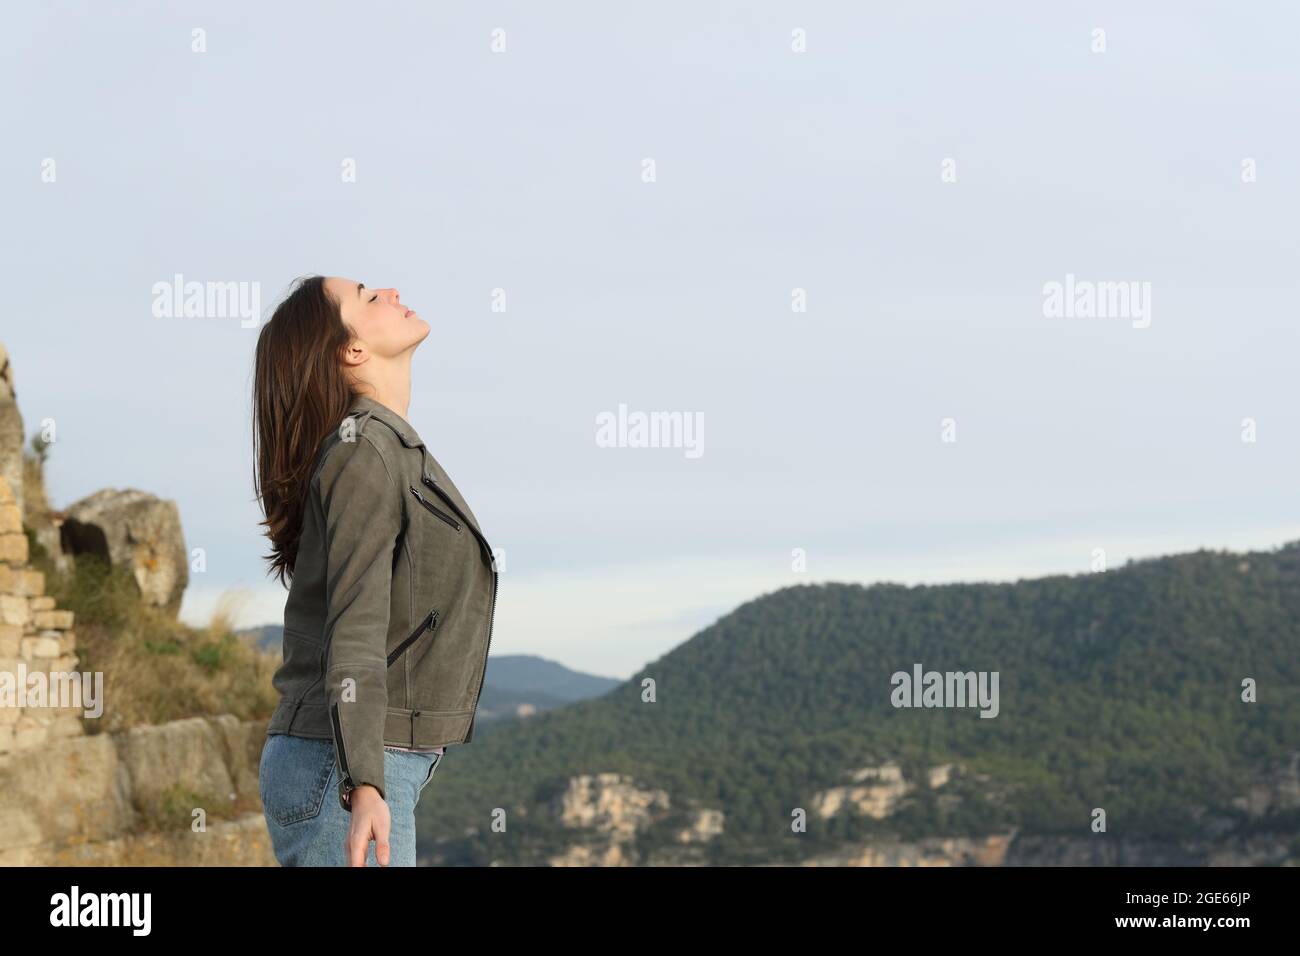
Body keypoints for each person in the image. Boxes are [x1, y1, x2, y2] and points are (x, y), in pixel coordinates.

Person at [251, 275, 498, 866]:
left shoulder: (385, 446)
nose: (389, 291)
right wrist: (363, 782)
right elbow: (355, 627)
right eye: (367, 297)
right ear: (351, 350)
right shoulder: (365, 450)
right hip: (342, 765)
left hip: (356, 762)